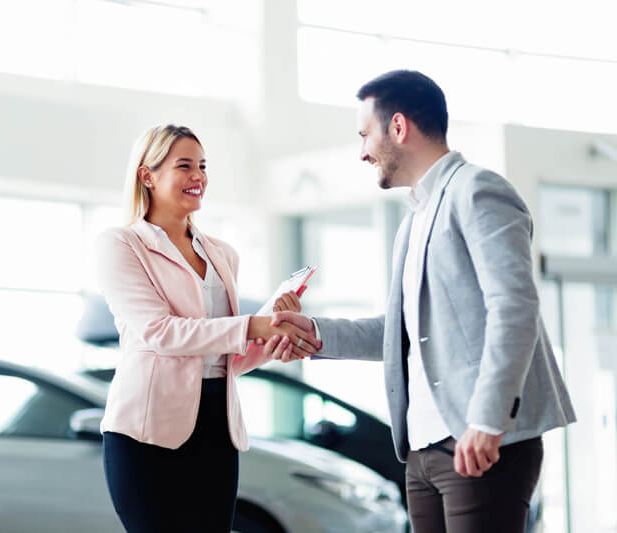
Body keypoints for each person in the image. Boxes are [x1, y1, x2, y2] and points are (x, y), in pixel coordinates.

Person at [267, 70, 576, 533]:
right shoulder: (413, 220)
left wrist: (489, 420)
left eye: (365, 134)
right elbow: (403, 331)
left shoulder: (478, 191)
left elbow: (514, 307)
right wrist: (315, 333)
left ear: (398, 127)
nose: (362, 151)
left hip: (478, 441)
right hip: (423, 451)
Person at [96, 124, 318, 533]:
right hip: (146, 434)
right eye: (185, 166)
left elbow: (228, 359)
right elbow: (159, 332)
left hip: (217, 426)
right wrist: (254, 324)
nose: (198, 177)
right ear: (148, 175)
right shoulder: (122, 245)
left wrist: (273, 337)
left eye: (202, 166)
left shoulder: (222, 254)